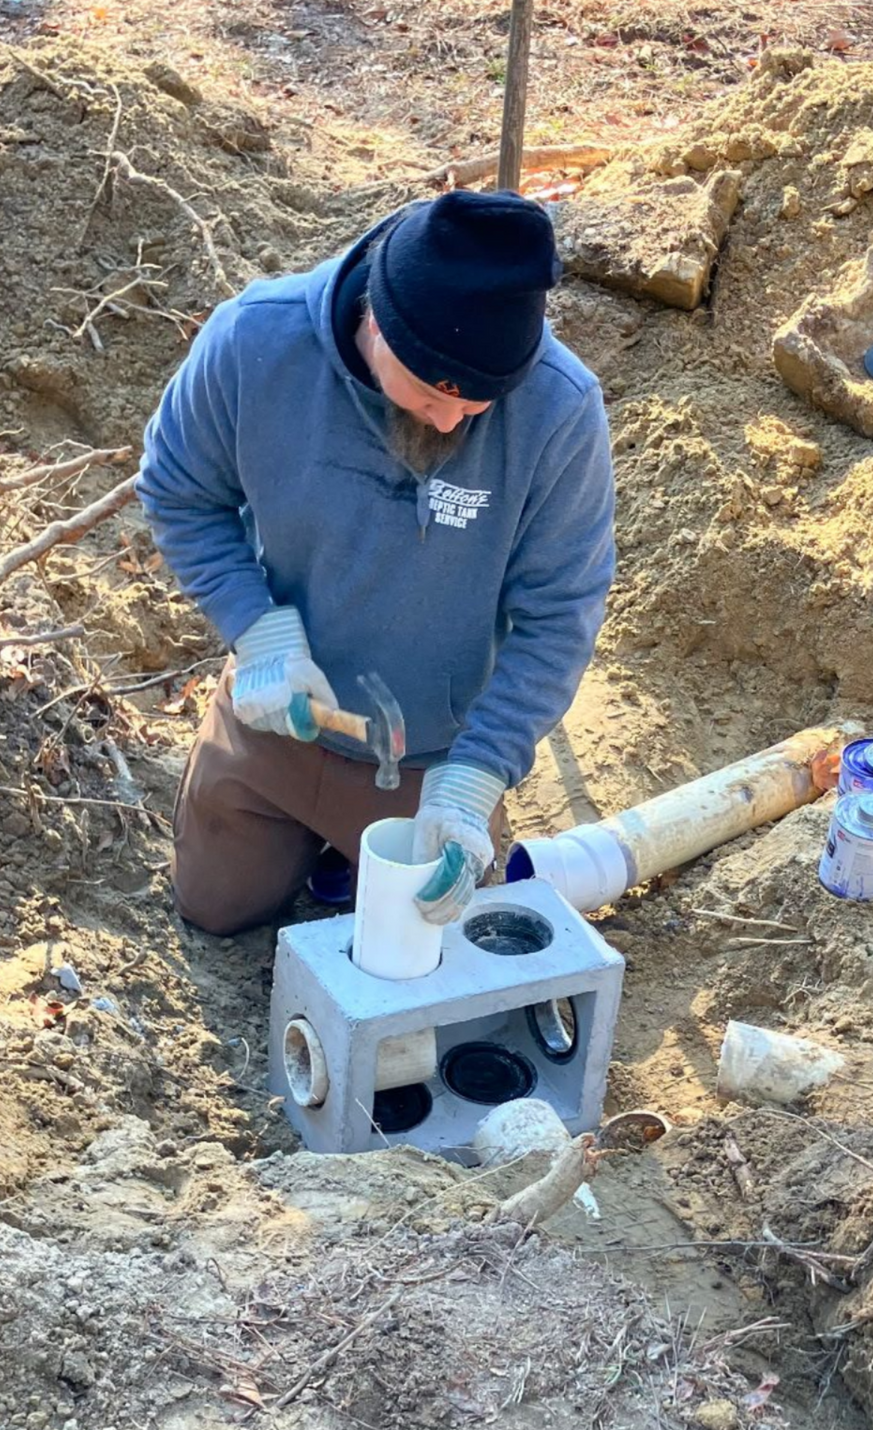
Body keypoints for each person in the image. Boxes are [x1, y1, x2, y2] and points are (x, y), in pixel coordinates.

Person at [136, 190, 616, 937]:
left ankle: (363, 843)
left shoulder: (560, 411)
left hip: (432, 760)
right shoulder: (255, 343)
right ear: (375, 321)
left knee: (424, 943)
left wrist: (476, 776)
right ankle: (301, 836)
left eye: (483, 402)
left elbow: (561, 616)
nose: (455, 420)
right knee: (214, 909)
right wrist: (256, 632)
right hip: (283, 718)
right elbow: (177, 489)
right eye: (432, 394)